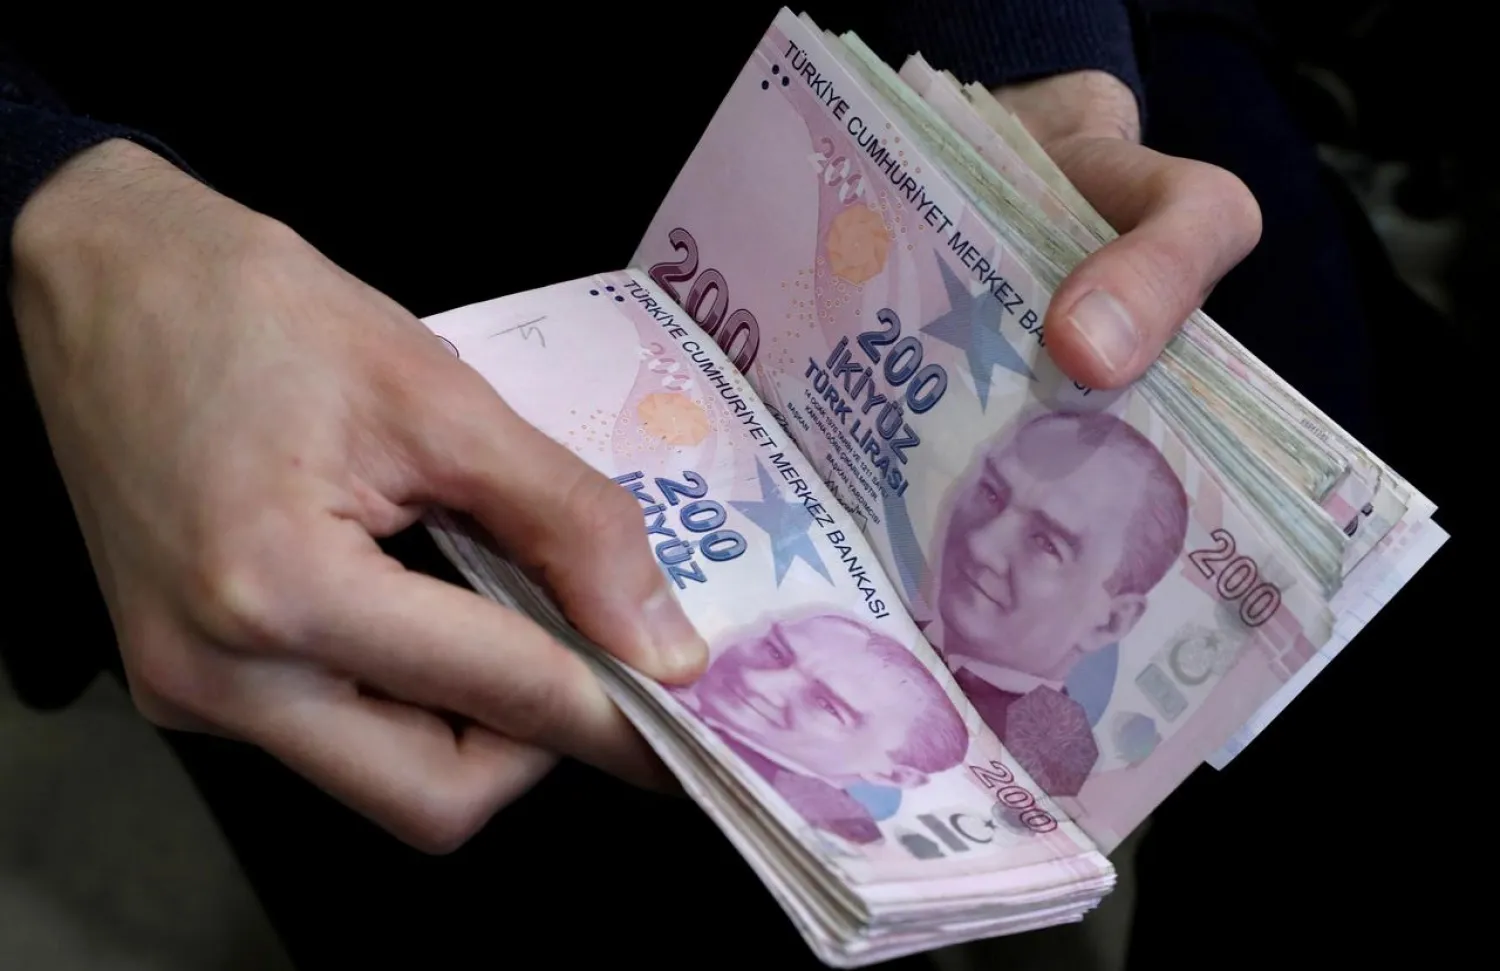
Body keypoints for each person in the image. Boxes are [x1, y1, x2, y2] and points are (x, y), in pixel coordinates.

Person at [4, 1, 1449, 968]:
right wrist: (56, 210)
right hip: (242, 247)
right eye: (1008, 502)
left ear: (1122, 605)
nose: (994, 539)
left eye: (1052, 537)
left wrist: (1027, 64)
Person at [929, 409, 1188, 793]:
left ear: (1111, 622)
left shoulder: (1056, 772)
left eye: (1046, 544)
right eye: (990, 493)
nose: (981, 545)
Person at [671, 611, 968, 845]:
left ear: (893, 775)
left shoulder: (827, 835)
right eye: (775, 652)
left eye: (827, 706)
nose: (755, 680)